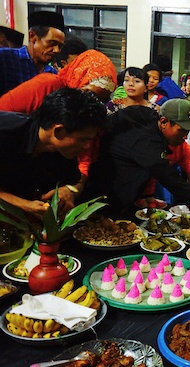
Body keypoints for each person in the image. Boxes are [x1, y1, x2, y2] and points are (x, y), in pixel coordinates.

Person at [87, 99, 190, 231]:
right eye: (181, 130)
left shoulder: (149, 117)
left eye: (188, 131)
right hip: (104, 195)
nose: (185, 137)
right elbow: (172, 181)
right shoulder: (146, 143)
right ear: (163, 122)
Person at [0, 88, 106, 216]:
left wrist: (69, 191)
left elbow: (77, 181)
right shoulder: (6, 132)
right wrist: (25, 205)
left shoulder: (63, 151)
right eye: (83, 140)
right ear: (59, 131)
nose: (87, 147)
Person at [0, 49, 117, 113]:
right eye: (90, 94)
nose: (92, 102)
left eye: (100, 99)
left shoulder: (78, 107)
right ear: (79, 77)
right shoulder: (46, 85)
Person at [0, 11, 65, 96]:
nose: (56, 50)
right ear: (32, 36)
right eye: (52, 43)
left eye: (60, 46)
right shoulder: (5, 59)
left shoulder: (52, 74)